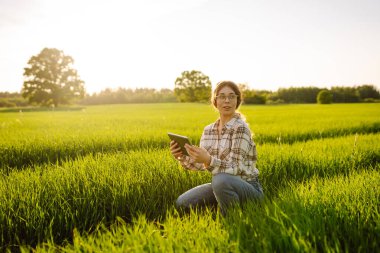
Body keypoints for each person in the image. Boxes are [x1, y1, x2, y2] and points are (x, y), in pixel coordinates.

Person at [170, 80, 264, 215]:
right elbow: (200, 165)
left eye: (232, 96)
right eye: (222, 96)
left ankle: (232, 220)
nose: (227, 100)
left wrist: (208, 159)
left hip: (248, 188)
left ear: (237, 101)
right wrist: (181, 156)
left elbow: (235, 167)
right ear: (215, 101)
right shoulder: (208, 130)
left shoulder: (241, 128)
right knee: (182, 202)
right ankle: (222, 204)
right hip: (221, 185)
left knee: (220, 179)